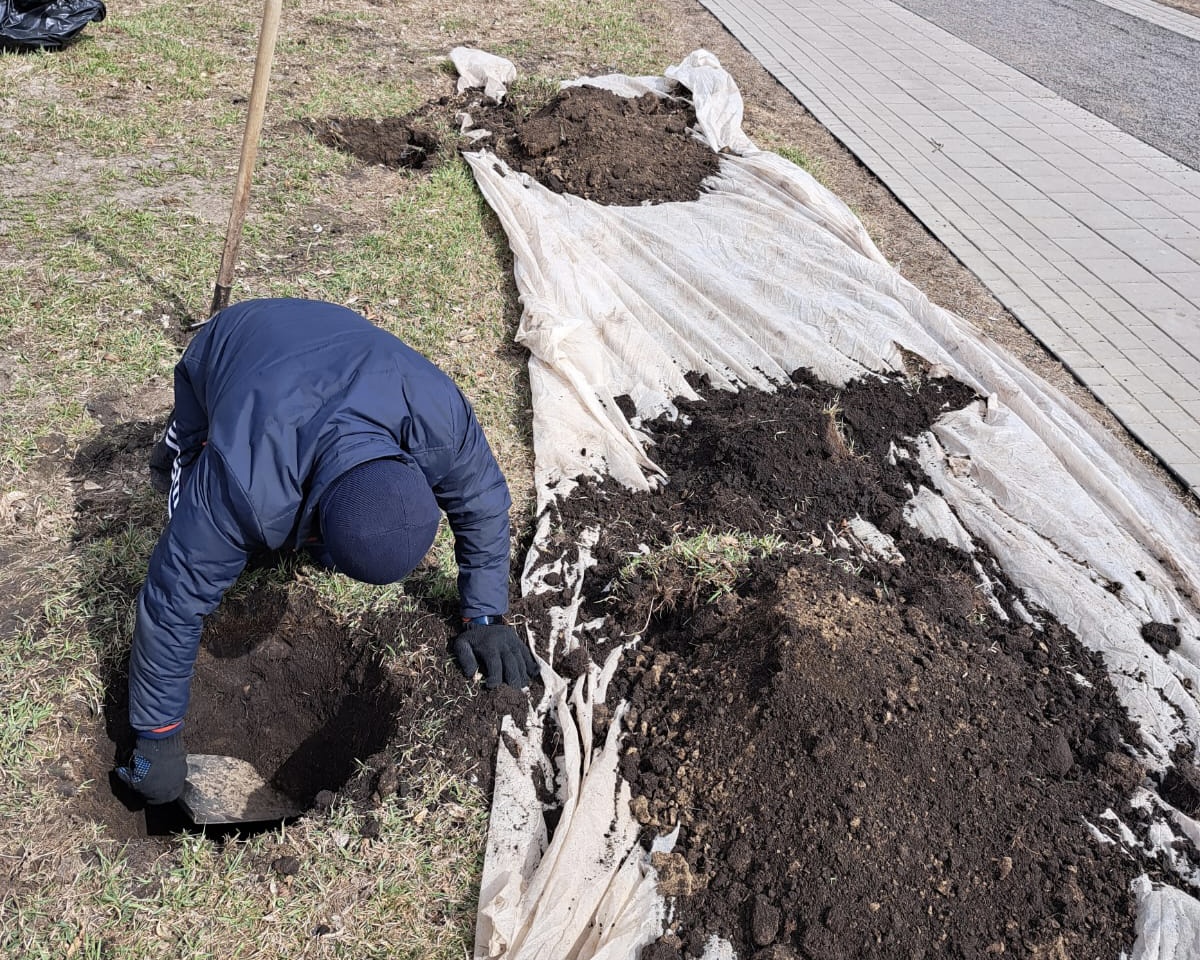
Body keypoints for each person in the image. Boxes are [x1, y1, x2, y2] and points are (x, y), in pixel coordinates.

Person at [115, 298, 537, 805]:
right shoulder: (241, 480)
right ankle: (174, 445)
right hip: (234, 339)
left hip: (334, 340)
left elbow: (483, 501)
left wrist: (485, 614)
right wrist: (156, 737)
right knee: (187, 458)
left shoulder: (439, 418)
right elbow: (173, 597)